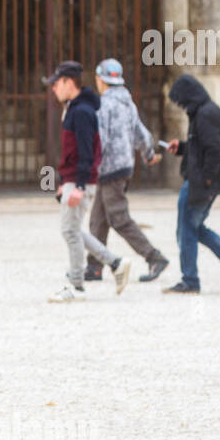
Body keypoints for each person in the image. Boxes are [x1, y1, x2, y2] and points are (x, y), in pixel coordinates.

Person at [44, 61, 132, 302]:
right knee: (71, 229)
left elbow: (87, 152)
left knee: (70, 231)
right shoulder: (75, 108)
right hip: (74, 178)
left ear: (68, 83)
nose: (53, 89)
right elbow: (73, 152)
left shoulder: (81, 112)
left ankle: (76, 286)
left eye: (56, 83)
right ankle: (115, 263)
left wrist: (80, 185)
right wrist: (65, 181)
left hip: (81, 180)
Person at [163, 74, 220, 294]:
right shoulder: (203, 112)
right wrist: (182, 148)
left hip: (199, 182)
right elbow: (200, 147)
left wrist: (207, 181)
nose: (181, 106)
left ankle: (190, 280)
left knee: (186, 229)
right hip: (199, 180)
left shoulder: (205, 114)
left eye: (182, 102)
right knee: (192, 228)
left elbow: (214, 151)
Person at [84, 58, 169, 284]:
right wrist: (148, 154)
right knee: (98, 220)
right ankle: (94, 266)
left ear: (100, 80)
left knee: (119, 219)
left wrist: (87, 166)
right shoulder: (127, 103)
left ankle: (154, 257)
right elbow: (141, 133)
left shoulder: (103, 105)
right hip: (124, 166)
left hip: (109, 168)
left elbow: (98, 139)